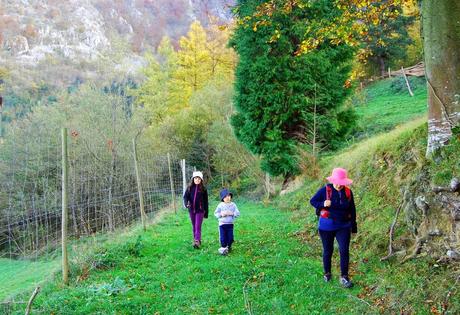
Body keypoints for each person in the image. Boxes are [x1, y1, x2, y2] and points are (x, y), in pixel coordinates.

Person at [310, 168, 357, 288]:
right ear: (333, 180)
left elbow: (352, 209)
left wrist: (354, 226)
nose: (339, 185)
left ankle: (344, 277)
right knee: (328, 250)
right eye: (337, 182)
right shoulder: (325, 190)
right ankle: (327, 273)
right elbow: (313, 201)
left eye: (342, 183)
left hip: (343, 226)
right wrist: (322, 204)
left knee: (344, 250)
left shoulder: (348, 192)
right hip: (326, 226)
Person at [183, 171, 209, 249]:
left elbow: (206, 201)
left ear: (201, 180)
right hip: (191, 210)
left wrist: (206, 212)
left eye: (199, 178)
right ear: (193, 179)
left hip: (200, 210)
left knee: (198, 226)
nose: (197, 180)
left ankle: (197, 241)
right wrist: (186, 203)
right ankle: (196, 240)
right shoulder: (190, 188)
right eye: (195, 178)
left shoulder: (203, 189)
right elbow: (185, 197)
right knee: (194, 225)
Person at [214, 188, 240, 255]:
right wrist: (221, 214)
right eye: (225, 197)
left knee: (230, 238)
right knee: (223, 238)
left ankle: (229, 246)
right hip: (222, 224)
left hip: (230, 224)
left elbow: (238, 213)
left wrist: (232, 213)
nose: (227, 198)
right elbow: (216, 214)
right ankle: (223, 248)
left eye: (228, 196)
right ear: (222, 198)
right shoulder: (220, 205)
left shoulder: (233, 205)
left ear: (230, 196)